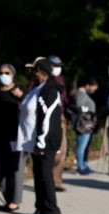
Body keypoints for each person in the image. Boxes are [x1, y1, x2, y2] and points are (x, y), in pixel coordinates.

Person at [17, 58, 63, 214]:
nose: (32, 74)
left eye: (34, 71)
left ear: (41, 72)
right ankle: (41, 207)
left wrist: (42, 142)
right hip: (35, 141)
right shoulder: (39, 88)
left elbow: (48, 118)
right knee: (38, 175)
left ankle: (52, 210)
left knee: (45, 175)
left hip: (45, 141)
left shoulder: (50, 89)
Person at [0, 63, 25, 211]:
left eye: (7, 73)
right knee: (2, 170)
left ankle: (15, 201)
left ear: (13, 74)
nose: (3, 75)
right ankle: (8, 199)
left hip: (16, 136)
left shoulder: (20, 90)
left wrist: (21, 96)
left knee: (16, 170)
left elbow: (32, 106)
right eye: (1, 73)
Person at [69, 77, 98, 175]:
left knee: (84, 146)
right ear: (87, 85)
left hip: (86, 124)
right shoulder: (80, 94)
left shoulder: (82, 93)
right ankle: (80, 166)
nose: (93, 91)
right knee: (82, 146)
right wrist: (88, 111)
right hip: (83, 125)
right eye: (93, 88)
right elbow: (79, 106)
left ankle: (84, 164)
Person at [48, 55, 68, 192]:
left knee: (62, 150)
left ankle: (56, 181)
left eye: (59, 66)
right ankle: (47, 181)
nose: (57, 69)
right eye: (54, 66)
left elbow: (65, 99)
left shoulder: (60, 80)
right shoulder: (40, 80)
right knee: (47, 152)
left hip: (59, 117)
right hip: (46, 118)